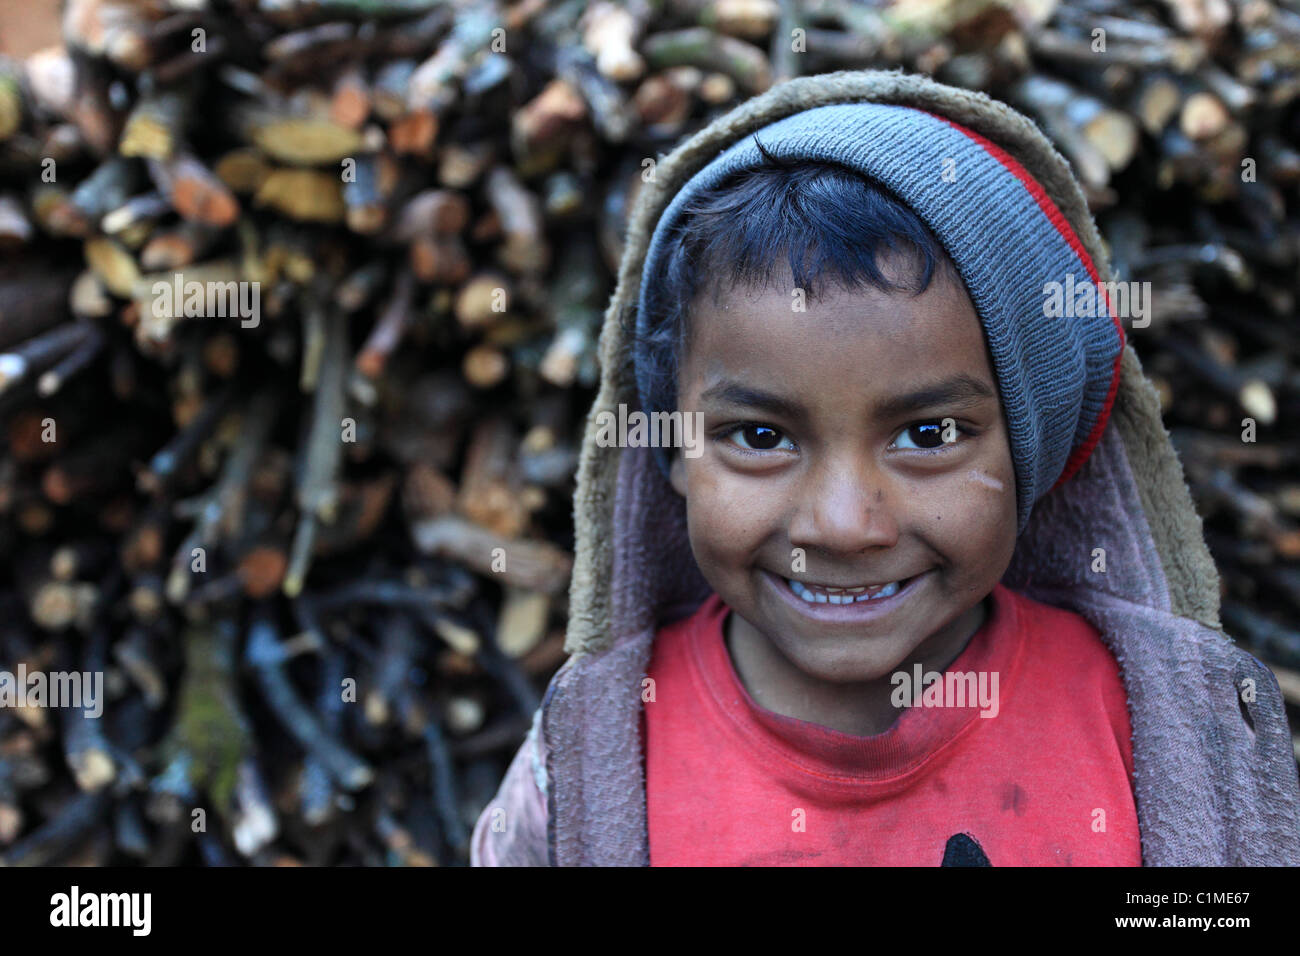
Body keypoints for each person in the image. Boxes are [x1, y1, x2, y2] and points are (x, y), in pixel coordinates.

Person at [470, 68, 1300, 866]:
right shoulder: (594, 755)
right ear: (670, 446)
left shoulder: (1160, 723)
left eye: (929, 433)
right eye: (760, 438)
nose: (842, 524)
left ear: (1030, 447)